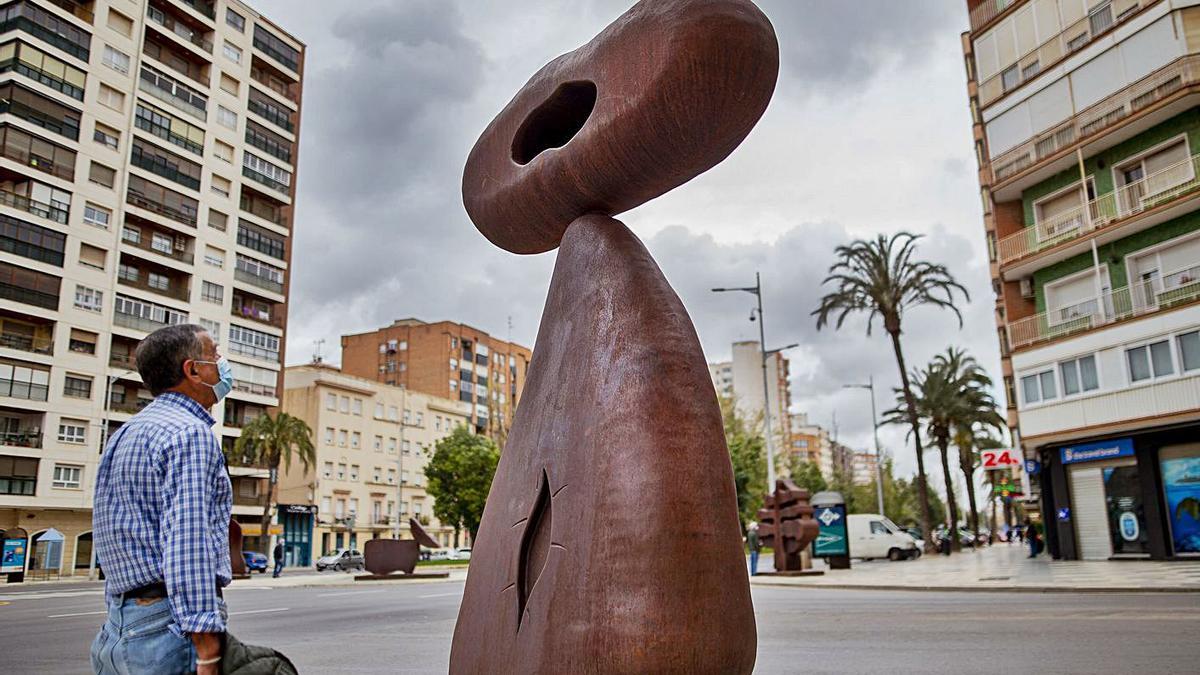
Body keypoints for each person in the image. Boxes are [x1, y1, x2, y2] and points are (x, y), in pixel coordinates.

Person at [91, 324, 235, 675]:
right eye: (214, 356)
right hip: (169, 630)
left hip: (119, 626)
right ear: (192, 370)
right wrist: (207, 646)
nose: (222, 365)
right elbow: (188, 541)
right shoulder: (190, 434)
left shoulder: (126, 433)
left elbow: (113, 532)